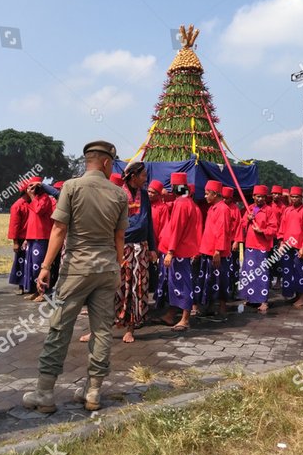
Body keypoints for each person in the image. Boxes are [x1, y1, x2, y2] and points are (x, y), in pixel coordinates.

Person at [22, 141, 128, 413]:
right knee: (103, 330)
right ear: (107, 163)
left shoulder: (71, 187)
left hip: (76, 269)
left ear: (88, 161)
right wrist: (116, 265)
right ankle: (93, 391)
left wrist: (45, 267)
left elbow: (58, 230)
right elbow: (119, 236)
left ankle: (45, 392)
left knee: (60, 328)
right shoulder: (119, 194)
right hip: (106, 269)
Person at [80, 160, 156, 344]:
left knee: (137, 289)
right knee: (109, 289)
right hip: (118, 249)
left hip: (141, 249)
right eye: (143, 176)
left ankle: (130, 328)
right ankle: (96, 330)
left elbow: (148, 223)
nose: (146, 179)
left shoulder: (145, 196)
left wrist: (152, 248)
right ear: (133, 177)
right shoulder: (116, 195)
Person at [154, 172, 202, 331]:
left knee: (183, 284)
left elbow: (177, 229)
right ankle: (171, 315)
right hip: (180, 250)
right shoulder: (187, 202)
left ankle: (185, 319)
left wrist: (171, 251)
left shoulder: (181, 204)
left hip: (179, 251)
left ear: (176, 187)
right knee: (176, 283)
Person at [237, 184, 278, 314]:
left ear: (265, 198)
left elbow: (273, 229)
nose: (259, 199)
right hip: (249, 245)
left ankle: (263, 301)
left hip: (262, 247)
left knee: (262, 274)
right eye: (257, 196)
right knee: (249, 273)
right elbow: (242, 225)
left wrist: (262, 231)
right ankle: (251, 298)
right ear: (253, 196)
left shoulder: (269, 211)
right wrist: (248, 220)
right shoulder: (249, 209)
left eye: (262, 197)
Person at [196, 180, 232, 321]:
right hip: (208, 250)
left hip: (217, 253)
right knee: (209, 280)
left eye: (207, 194)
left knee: (220, 280)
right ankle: (210, 307)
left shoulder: (222, 209)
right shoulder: (212, 208)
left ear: (215, 194)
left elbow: (222, 231)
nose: (205, 196)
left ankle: (222, 309)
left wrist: (218, 250)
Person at [23, 176, 56, 302]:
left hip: (42, 237)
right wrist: (27, 238)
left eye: (33, 187)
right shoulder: (36, 199)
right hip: (33, 237)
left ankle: (44, 293)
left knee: (40, 265)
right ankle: (37, 291)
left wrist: (31, 197)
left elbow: (39, 210)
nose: (30, 189)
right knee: (32, 267)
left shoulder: (44, 199)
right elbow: (31, 220)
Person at [278, 186, 303, 307]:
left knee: (300, 271)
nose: (294, 199)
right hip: (287, 245)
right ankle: (295, 295)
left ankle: (302, 297)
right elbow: (282, 226)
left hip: (299, 246)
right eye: (292, 196)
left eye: (297, 197)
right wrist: (281, 241)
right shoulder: (287, 210)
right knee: (288, 271)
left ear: (301, 197)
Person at [7, 180, 30, 295]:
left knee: (30, 262)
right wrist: (15, 242)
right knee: (21, 262)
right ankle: (21, 285)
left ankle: (30, 285)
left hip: (32, 238)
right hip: (21, 239)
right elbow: (14, 225)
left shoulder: (32, 203)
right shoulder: (17, 206)